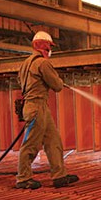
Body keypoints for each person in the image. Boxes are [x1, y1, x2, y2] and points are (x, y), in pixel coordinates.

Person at [15, 31, 78, 190]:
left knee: (53, 141)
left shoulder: (25, 64)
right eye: (49, 46)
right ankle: (23, 178)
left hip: (37, 106)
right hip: (36, 107)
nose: (50, 49)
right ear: (44, 46)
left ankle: (59, 175)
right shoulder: (42, 63)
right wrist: (60, 81)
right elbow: (56, 86)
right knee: (31, 144)